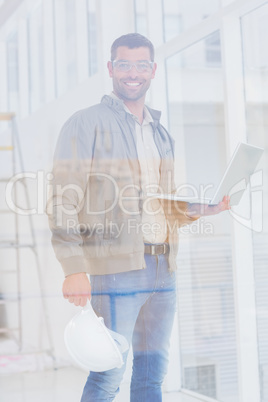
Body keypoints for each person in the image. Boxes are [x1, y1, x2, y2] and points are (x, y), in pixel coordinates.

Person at [47, 33, 230, 402]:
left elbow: (162, 204)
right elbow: (61, 198)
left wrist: (204, 210)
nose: (134, 73)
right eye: (125, 64)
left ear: (153, 70)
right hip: (116, 272)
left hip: (164, 268)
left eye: (142, 64)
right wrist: (72, 267)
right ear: (112, 68)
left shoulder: (160, 133)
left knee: (151, 378)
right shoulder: (86, 123)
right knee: (107, 376)